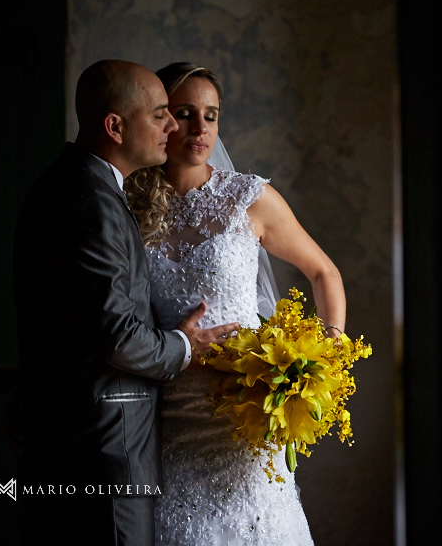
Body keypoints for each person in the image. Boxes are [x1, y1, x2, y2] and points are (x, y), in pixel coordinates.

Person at [13, 60, 241, 546]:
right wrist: (186, 346)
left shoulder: (75, 185)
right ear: (114, 126)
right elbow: (115, 335)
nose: (174, 127)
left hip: (83, 436)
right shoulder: (91, 201)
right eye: (161, 114)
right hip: (105, 445)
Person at [125, 62, 346, 544]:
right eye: (184, 113)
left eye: (211, 114)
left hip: (244, 419)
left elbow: (323, 272)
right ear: (162, 119)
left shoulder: (248, 198)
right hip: (171, 421)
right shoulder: (127, 207)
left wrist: (323, 362)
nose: (200, 128)